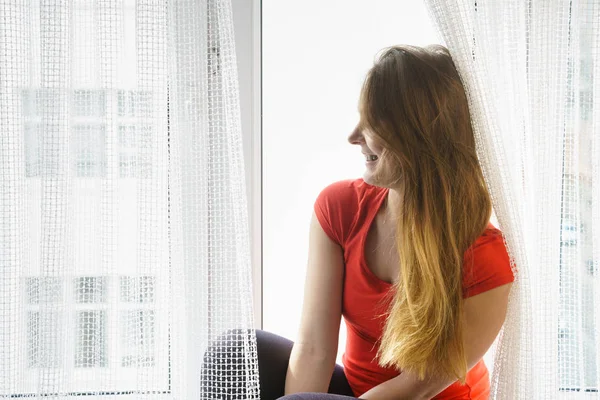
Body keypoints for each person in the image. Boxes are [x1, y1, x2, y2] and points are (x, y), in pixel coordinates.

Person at [202, 44, 514, 400]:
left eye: (373, 124)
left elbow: (420, 386)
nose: (353, 136)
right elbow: (315, 348)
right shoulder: (341, 208)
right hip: (355, 392)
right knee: (234, 357)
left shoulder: (486, 255)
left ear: (420, 136)